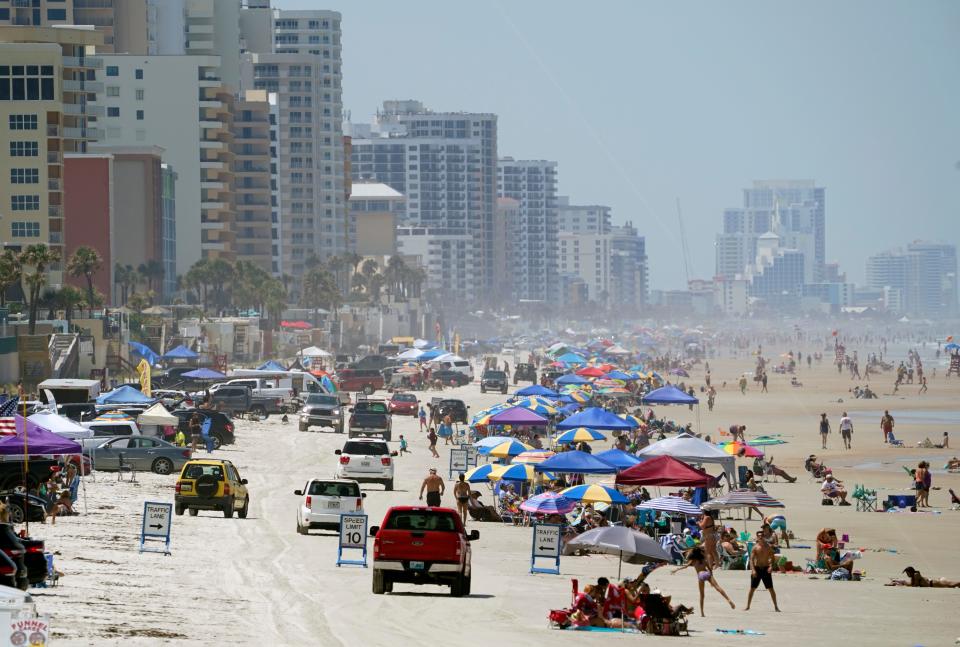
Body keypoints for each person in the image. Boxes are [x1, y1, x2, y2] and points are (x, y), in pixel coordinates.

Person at [671, 546, 736, 616]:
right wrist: (711, 579)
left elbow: (685, 566)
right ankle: (728, 599)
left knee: (702, 595)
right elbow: (710, 569)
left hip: (701, 575)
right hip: (707, 573)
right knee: (718, 587)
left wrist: (676, 570)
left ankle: (702, 613)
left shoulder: (693, 561)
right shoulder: (704, 559)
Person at [745, 533, 781, 612]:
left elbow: (772, 557)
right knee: (752, 589)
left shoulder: (768, 547)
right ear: (757, 537)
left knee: (771, 589)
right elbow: (751, 559)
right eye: (759, 536)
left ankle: (776, 606)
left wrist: (771, 566)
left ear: (764, 537)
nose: (760, 537)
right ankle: (748, 606)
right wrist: (753, 570)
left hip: (766, 569)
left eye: (762, 536)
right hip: (757, 569)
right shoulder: (755, 547)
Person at [886, 566, 960, 588]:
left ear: (910, 572)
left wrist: (899, 583)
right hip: (933, 583)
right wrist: (896, 582)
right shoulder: (914, 577)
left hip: (935, 583)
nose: (907, 575)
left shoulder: (916, 575)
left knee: (952, 585)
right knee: (954, 585)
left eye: (907, 573)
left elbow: (914, 585)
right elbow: (910, 584)